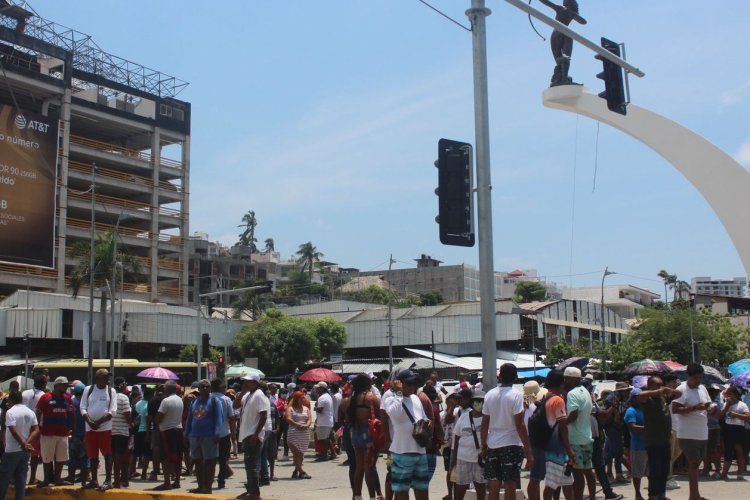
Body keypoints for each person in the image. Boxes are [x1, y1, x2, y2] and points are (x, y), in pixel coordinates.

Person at [480, 363, 532, 500]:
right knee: (510, 484)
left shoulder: (489, 395)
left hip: (492, 444)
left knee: (494, 484)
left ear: (500, 376)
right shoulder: (516, 395)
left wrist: (483, 446)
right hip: (511, 444)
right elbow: (520, 425)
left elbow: (484, 424)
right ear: (515, 377)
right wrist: (529, 451)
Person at [383, 369, 430, 500]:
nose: (412, 387)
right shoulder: (390, 399)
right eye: (409, 384)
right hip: (401, 452)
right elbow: (395, 413)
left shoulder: (416, 398)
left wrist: (427, 423)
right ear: (399, 384)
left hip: (420, 450)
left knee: (422, 488)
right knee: (401, 490)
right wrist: (399, 393)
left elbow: (424, 417)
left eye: (414, 383)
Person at [671, 363, 711, 500]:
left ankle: (696, 495)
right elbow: (675, 409)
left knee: (697, 463)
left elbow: (708, 405)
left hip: (702, 432)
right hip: (688, 433)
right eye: (696, 378)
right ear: (688, 376)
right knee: (693, 463)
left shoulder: (703, 388)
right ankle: (693, 496)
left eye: (701, 377)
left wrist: (710, 408)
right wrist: (694, 408)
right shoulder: (681, 389)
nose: (699, 380)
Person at [637, 375, 680, 500]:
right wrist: (658, 391)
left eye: (661, 384)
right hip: (653, 440)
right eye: (657, 384)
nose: (660, 387)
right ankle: (653, 495)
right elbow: (640, 396)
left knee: (664, 470)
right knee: (655, 470)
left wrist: (669, 390)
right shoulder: (648, 398)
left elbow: (679, 394)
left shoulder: (663, 398)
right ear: (650, 385)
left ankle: (661, 494)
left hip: (665, 439)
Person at [79, 368, 118, 491]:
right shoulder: (88, 390)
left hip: (105, 428)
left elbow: (113, 410)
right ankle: (94, 480)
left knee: (107, 454)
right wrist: (90, 421)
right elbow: (83, 407)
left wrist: (98, 422)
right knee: (93, 456)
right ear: (98, 378)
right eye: (105, 377)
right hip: (90, 428)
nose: (107, 379)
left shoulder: (111, 391)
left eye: (108, 377)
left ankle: (108, 481)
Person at [185, 379, 224, 494]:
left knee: (209, 462)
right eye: (202, 387)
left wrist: (217, 433)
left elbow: (219, 419)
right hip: (194, 435)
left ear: (210, 388)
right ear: (199, 389)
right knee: (197, 461)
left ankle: (208, 488)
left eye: (207, 387)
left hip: (209, 436)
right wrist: (186, 434)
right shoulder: (194, 402)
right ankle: (200, 486)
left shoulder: (214, 401)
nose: (205, 388)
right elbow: (189, 419)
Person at [0, 390, 40, 500]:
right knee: (21, 479)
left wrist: (23, 443)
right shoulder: (30, 412)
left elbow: (12, 430)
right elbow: (36, 430)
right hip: (25, 451)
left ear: (10, 400)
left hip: (12, 450)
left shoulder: (11, 412)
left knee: (3, 478)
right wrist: (27, 443)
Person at [35, 376, 74, 487]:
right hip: (47, 433)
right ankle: (46, 480)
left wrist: (73, 428)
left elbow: (71, 413)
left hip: (63, 433)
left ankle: (58, 479)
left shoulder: (67, 398)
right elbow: (38, 412)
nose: (67, 387)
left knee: (61, 457)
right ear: (57, 385)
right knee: (47, 458)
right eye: (65, 385)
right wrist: (37, 428)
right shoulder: (45, 397)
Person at [542, 370, 575, 500]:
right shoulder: (558, 400)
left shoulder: (547, 397)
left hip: (554, 447)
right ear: (562, 383)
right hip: (556, 450)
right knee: (550, 486)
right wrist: (569, 450)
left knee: (567, 482)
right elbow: (563, 425)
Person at [235, 373, 269, 500]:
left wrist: (256, 434)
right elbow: (235, 405)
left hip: (253, 435)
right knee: (248, 464)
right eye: (244, 381)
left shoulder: (259, 395)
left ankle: (254, 493)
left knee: (252, 464)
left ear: (255, 382)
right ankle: (250, 490)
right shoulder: (249, 395)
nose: (245, 383)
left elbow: (264, 416)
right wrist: (242, 392)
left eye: (248, 381)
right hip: (246, 434)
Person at [538, 0, 587, 86]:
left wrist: (573, 13)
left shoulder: (562, 9)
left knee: (560, 58)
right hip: (566, 33)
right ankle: (564, 77)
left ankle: (562, 66)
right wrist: (575, 14)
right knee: (566, 57)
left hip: (557, 33)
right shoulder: (569, 12)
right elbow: (583, 22)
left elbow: (547, 3)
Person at [563, 367, 595, 500]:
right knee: (588, 470)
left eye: (565, 378)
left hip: (575, 439)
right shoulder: (586, 392)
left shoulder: (572, 394)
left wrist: (560, 423)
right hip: (587, 437)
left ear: (570, 379)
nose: (564, 381)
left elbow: (573, 415)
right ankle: (592, 497)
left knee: (577, 474)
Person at [452, 390, 487, 500]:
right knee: (460, 487)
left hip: (480, 459)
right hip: (463, 458)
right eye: (476, 401)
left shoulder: (488, 418)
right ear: (472, 402)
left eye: (481, 401)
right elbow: (456, 437)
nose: (478, 404)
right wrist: (454, 458)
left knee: (481, 487)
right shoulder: (463, 417)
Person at [154, 380, 184, 491]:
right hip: (179, 429)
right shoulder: (180, 400)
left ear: (166, 389)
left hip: (167, 430)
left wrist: (155, 421)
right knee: (178, 457)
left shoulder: (166, 401)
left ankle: (167, 482)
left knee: (166, 457)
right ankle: (177, 481)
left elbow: (158, 418)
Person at [601, 382, 631, 483]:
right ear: (621, 391)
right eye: (626, 390)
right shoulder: (612, 398)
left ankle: (619, 474)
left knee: (619, 452)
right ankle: (600, 470)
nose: (628, 392)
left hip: (618, 426)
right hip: (612, 426)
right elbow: (612, 411)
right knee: (613, 451)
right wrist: (616, 414)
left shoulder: (622, 398)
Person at [21, 375, 46, 485]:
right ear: (44, 384)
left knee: (22, 452)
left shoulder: (24, 393)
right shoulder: (44, 395)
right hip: (36, 427)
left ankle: (19, 478)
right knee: (35, 454)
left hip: (22, 426)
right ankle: (32, 478)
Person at [210, 378, 235, 490]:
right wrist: (234, 433)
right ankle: (221, 481)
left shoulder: (207, 398)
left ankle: (208, 481)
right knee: (223, 459)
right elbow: (231, 418)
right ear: (221, 387)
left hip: (209, 434)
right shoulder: (226, 400)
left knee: (210, 459)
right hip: (224, 433)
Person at [719, 386, 749, 480]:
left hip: (739, 429)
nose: (728, 396)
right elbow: (720, 415)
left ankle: (740, 473)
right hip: (728, 428)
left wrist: (735, 414)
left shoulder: (742, 405)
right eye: (727, 394)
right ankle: (724, 473)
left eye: (730, 394)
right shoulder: (726, 404)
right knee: (728, 451)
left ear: (735, 395)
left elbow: (747, 417)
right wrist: (727, 406)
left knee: (739, 451)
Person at [624, 389, 646, 500]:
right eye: (640, 396)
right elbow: (632, 427)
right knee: (637, 472)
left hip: (649, 444)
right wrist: (649, 429)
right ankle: (638, 494)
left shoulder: (645, 409)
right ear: (634, 398)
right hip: (638, 446)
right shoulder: (631, 411)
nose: (643, 398)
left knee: (651, 472)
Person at [285, 390, 312, 480]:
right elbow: (288, 419)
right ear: (296, 399)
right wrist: (298, 425)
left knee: (301, 454)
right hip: (293, 433)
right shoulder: (290, 408)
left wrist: (306, 425)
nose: (303, 399)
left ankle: (296, 471)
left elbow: (309, 419)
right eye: (301, 398)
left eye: (303, 398)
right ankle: (302, 471)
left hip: (304, 433)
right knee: (296, 453)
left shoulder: (306, 408)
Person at [65, 382, 88, 486]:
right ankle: (84, 480)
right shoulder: (87, 403)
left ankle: (71, 479)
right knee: (84, 459)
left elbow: (67, 418)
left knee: (72, 458)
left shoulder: (72, 402)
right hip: (85, 434)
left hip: (74, 435)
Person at [110, 377, 131, 489]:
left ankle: (118, 480)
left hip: (110, 432)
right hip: (122, 432)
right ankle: (119, 481)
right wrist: (131, 424)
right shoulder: (124, 397)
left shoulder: (110, 397)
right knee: (121, 458)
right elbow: (127, 414)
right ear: (122, 386)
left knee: (113, 458)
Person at [441, 392, 460, 500]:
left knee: (457, 471)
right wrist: (451, 406)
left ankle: (456, 494)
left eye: (457, 399)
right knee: (450, 471)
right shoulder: (443, 413)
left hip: (459, 446)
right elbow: (447, 420)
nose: (456, 401)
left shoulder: (460, 411)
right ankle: (450, 493)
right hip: (449, 446)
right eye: (453, 399)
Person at [133, 385, 152, 481]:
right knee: (146, 454)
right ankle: (144, 474)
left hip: (137, 431)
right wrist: (148, 435)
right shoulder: (149, 405)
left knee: (135, 452)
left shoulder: (138, 403)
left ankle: (131, 472)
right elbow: (148, 420)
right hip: (145, 431)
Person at [314, 381, 335, 461]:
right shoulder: (328, 396)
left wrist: (315, 408)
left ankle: (324, 454)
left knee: (322, 439)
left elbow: (320, 410)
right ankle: (332, 453)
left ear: (322, 388)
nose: (316, 389)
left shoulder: (322, 398)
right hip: (328, 420)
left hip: (323, 421)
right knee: (326, 438)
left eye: (318, 388)